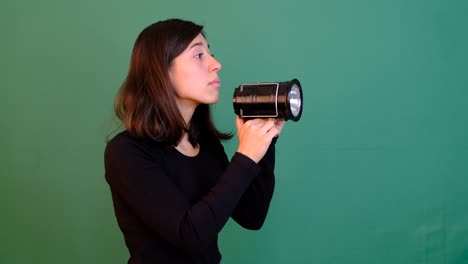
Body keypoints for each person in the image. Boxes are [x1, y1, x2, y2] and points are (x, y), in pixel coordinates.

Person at [104, 18, 285, 264]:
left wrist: (265, 140)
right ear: (161, 70)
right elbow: (189, 234)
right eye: (199, 55)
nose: (216, 64)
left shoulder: (206, 144)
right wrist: (245, 157)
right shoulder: (126, 152)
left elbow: (252, 216)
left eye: (211, 54)